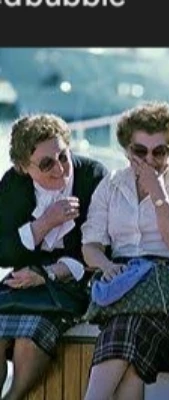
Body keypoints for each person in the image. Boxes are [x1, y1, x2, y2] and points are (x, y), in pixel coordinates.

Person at [81, 101, 169, 400]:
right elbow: (90, 245)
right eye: (140, 151)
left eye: (159, 152)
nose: (149, 159)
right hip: (123, 281)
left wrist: (158, 194)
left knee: (126, 325)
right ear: (127, 150)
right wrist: (107, 266)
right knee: (132, 360)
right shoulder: (111, 185)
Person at [0, 113, 108, 400]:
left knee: (29, 337)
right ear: (24, 167)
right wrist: (44, 223)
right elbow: (2, 250)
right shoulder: (13, 183)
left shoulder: (93, 176)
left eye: (63, 156)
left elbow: (103, 249)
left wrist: (47, 274)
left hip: (73, 281)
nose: (60, 169)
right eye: (46, 163)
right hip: (24, 280)